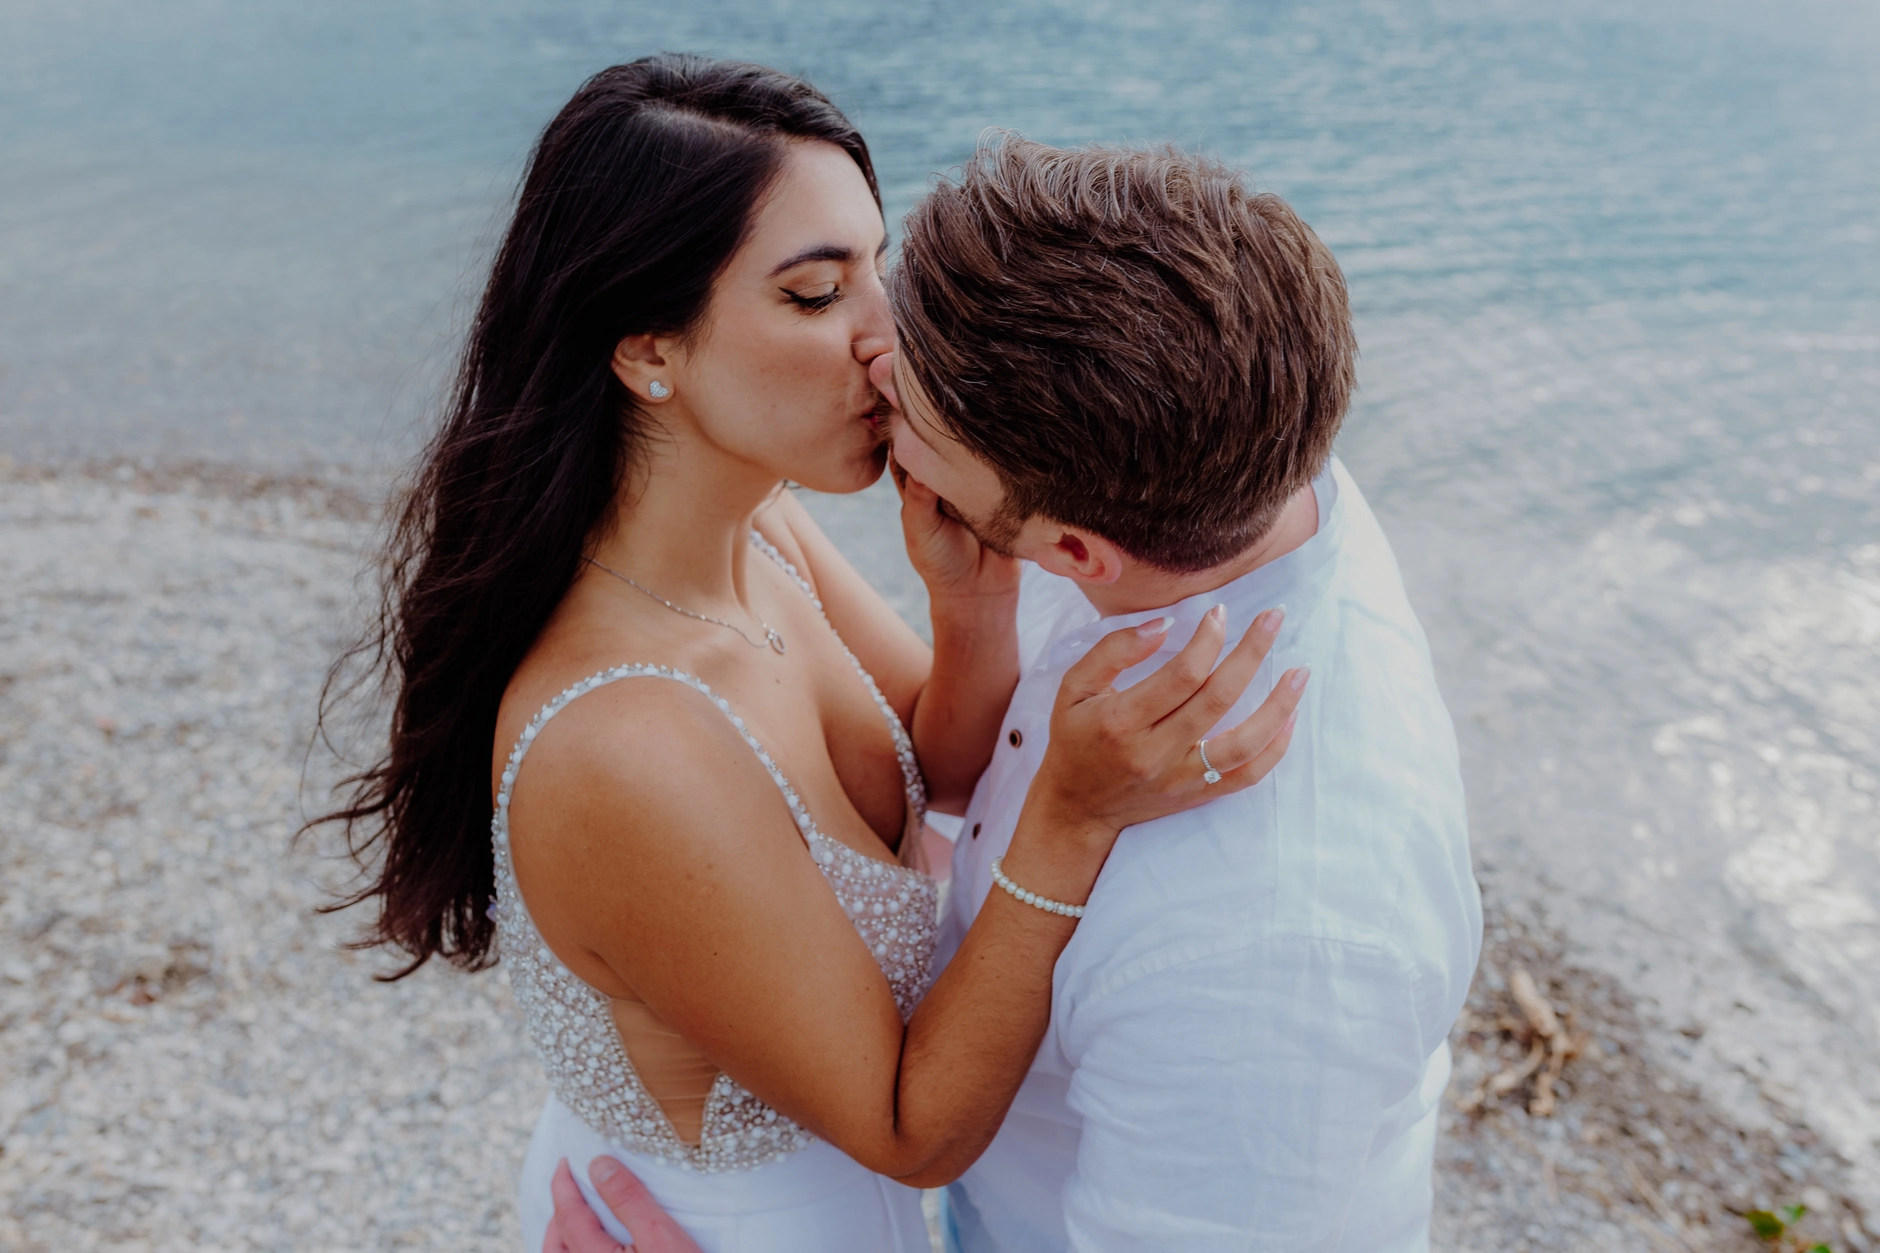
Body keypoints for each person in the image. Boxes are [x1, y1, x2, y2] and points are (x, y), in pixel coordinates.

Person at [321, 58, 1302, 1253]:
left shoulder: (759, 526)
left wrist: (971, 603)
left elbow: (927, 767)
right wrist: (1070, 817)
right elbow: (907, 1124)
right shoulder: (626, 743)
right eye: (812, 295)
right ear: (647, 352)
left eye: (876, 269)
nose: (887, 342)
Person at [554, 135, 1481, 1251]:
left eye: (919, 427)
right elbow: (946, 767)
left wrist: (1065, 820)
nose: (877, 371)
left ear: (1077, 550)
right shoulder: (1237, 448)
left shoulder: (1268, 944)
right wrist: (973, 612)